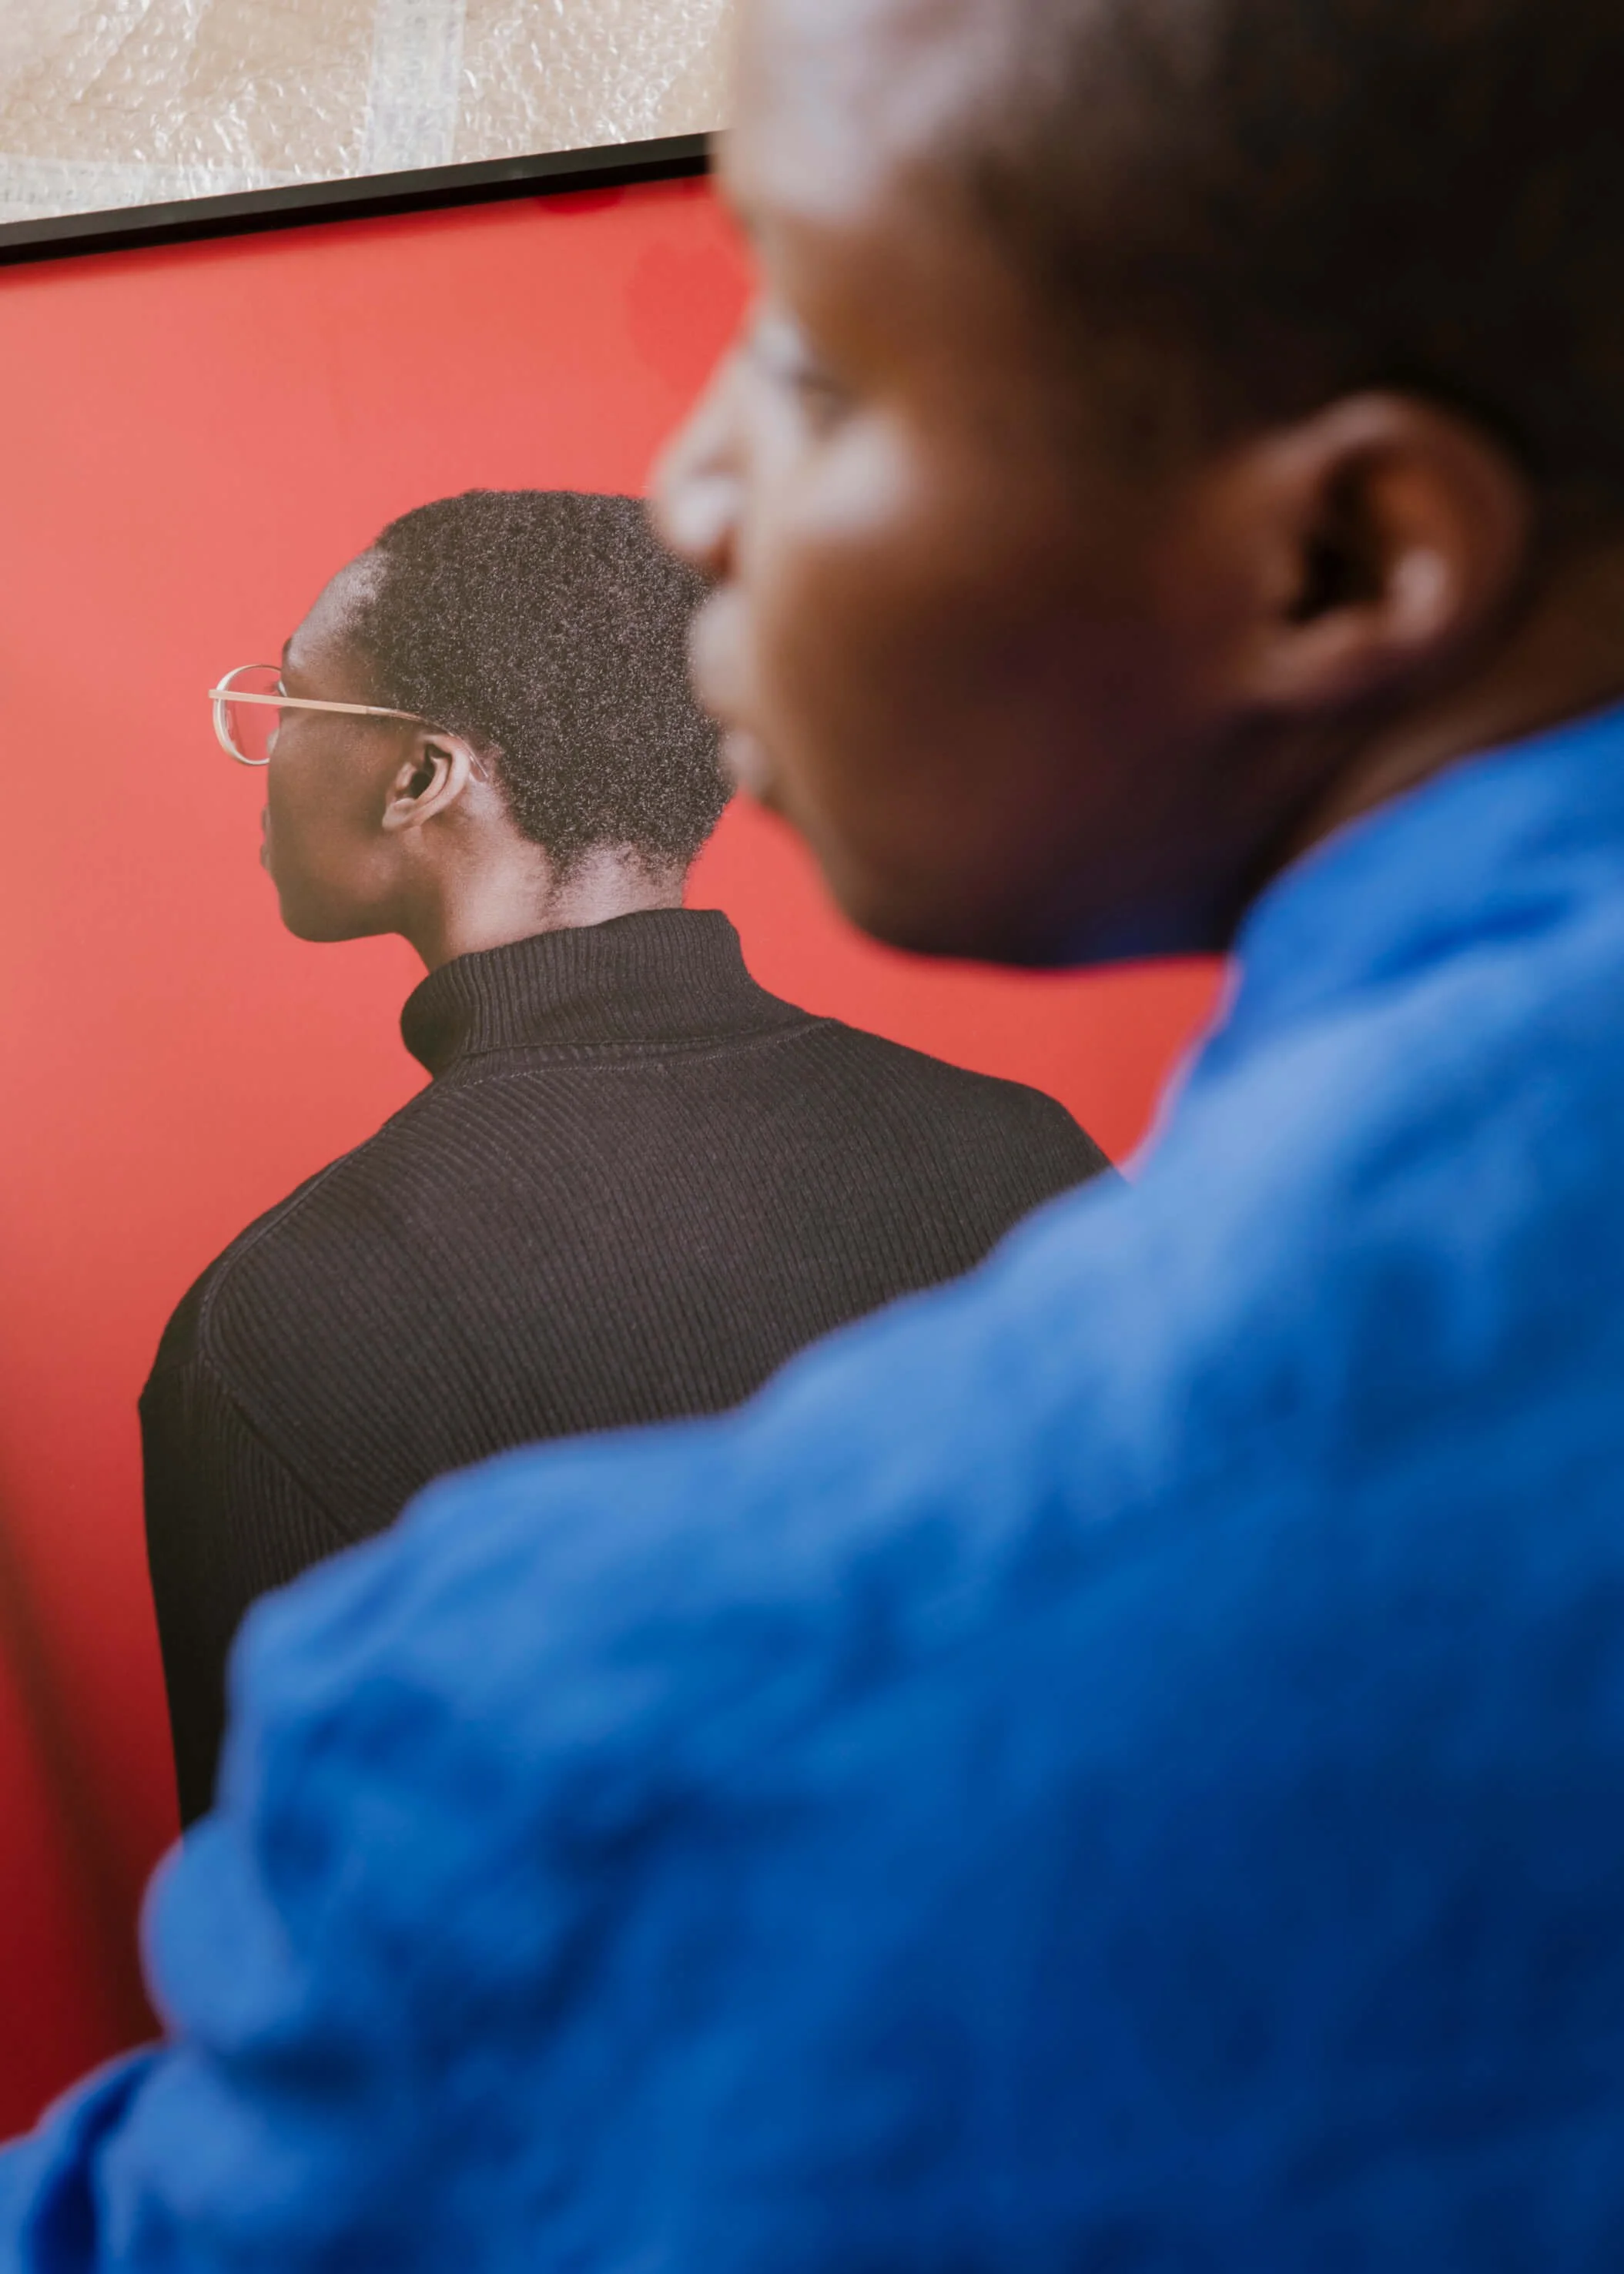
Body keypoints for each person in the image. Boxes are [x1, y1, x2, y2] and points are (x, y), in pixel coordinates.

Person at [8, 0, 1624, 2261]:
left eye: (816, 361)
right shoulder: (1034, 1153)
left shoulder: (523, 1701)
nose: (684, 498)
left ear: (1347, 554)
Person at [146, 485, 1107, 1824]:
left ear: (421, 776)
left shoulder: (280, 1322)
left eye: (298, 698)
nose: (266, 742)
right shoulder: (1022, 1154)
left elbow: (313, 1955)